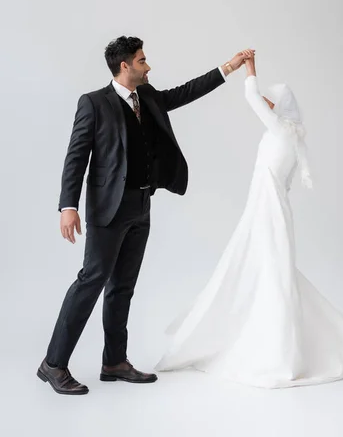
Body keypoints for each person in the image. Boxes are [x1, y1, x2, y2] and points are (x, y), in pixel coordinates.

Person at [155, 51, 343, 388]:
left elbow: (251, 96)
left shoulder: (279, 129)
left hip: (268, 210)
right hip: (270, 209)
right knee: (267, 268)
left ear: (279, 106)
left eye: (271, 100)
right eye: (268, 100)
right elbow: (295, 175)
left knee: (268, 270)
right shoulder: (291, 135)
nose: (266, 103)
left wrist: (249, 68)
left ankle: (277, 352)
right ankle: (272, 339)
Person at [37, 36, 253, 395]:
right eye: (142, 60)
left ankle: (114, 362)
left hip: (141, 206)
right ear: (125, 66)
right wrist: (68, 206)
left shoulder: (149, 97)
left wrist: (228, 67)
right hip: (108, 210)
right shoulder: (94, 104)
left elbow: (187, 92)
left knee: (122, 287)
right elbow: (76, 157)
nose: (148, 66)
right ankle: (53, 363)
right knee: (91, 282)